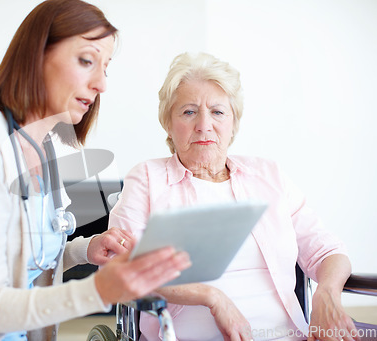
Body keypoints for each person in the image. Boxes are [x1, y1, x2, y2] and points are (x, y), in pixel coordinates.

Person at [0, 1, 191, 340]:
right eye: (86, 60)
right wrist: (98, 291)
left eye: (105, 68)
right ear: (37, 56)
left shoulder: (43, 148)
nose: (101, 84)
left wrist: (84, 249)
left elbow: (26, 262)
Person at [108, 52, 358, 341]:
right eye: (189, 112)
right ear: (167, 122)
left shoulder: (269, 175)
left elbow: (327, 251)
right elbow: (123, 268)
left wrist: (326, 294)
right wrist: (212, 296)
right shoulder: (148, 178)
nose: (204, 124)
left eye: (217, 112)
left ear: (233, 122)